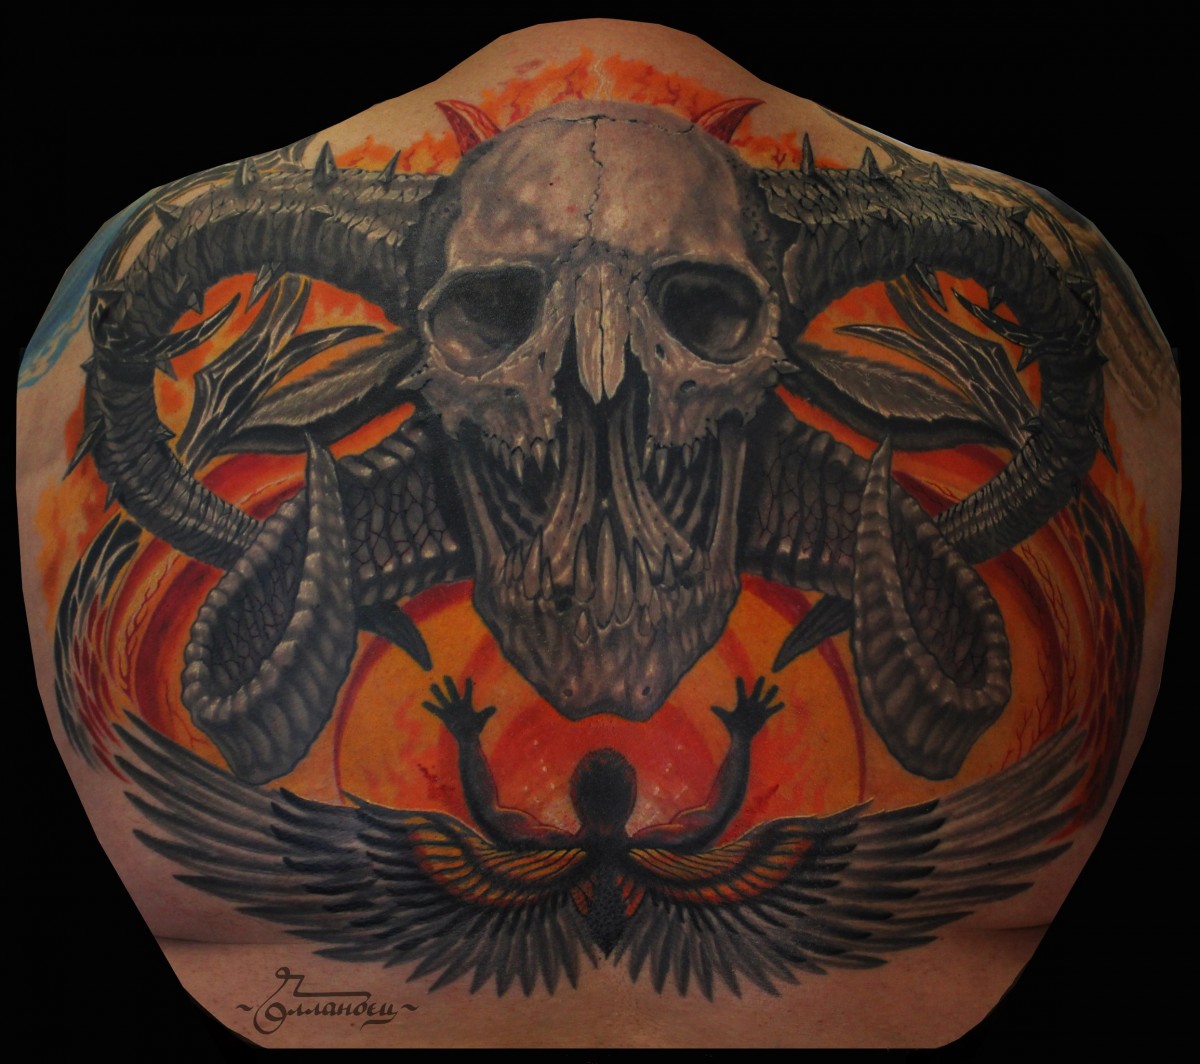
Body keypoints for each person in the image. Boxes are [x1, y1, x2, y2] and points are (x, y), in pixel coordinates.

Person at [17, 19, 1180, 1052]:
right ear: (426, 348)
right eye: (492, 312)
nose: (607, 381)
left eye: (705, 309)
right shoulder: (1065, 254)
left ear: (768, 342)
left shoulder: (111, 270)